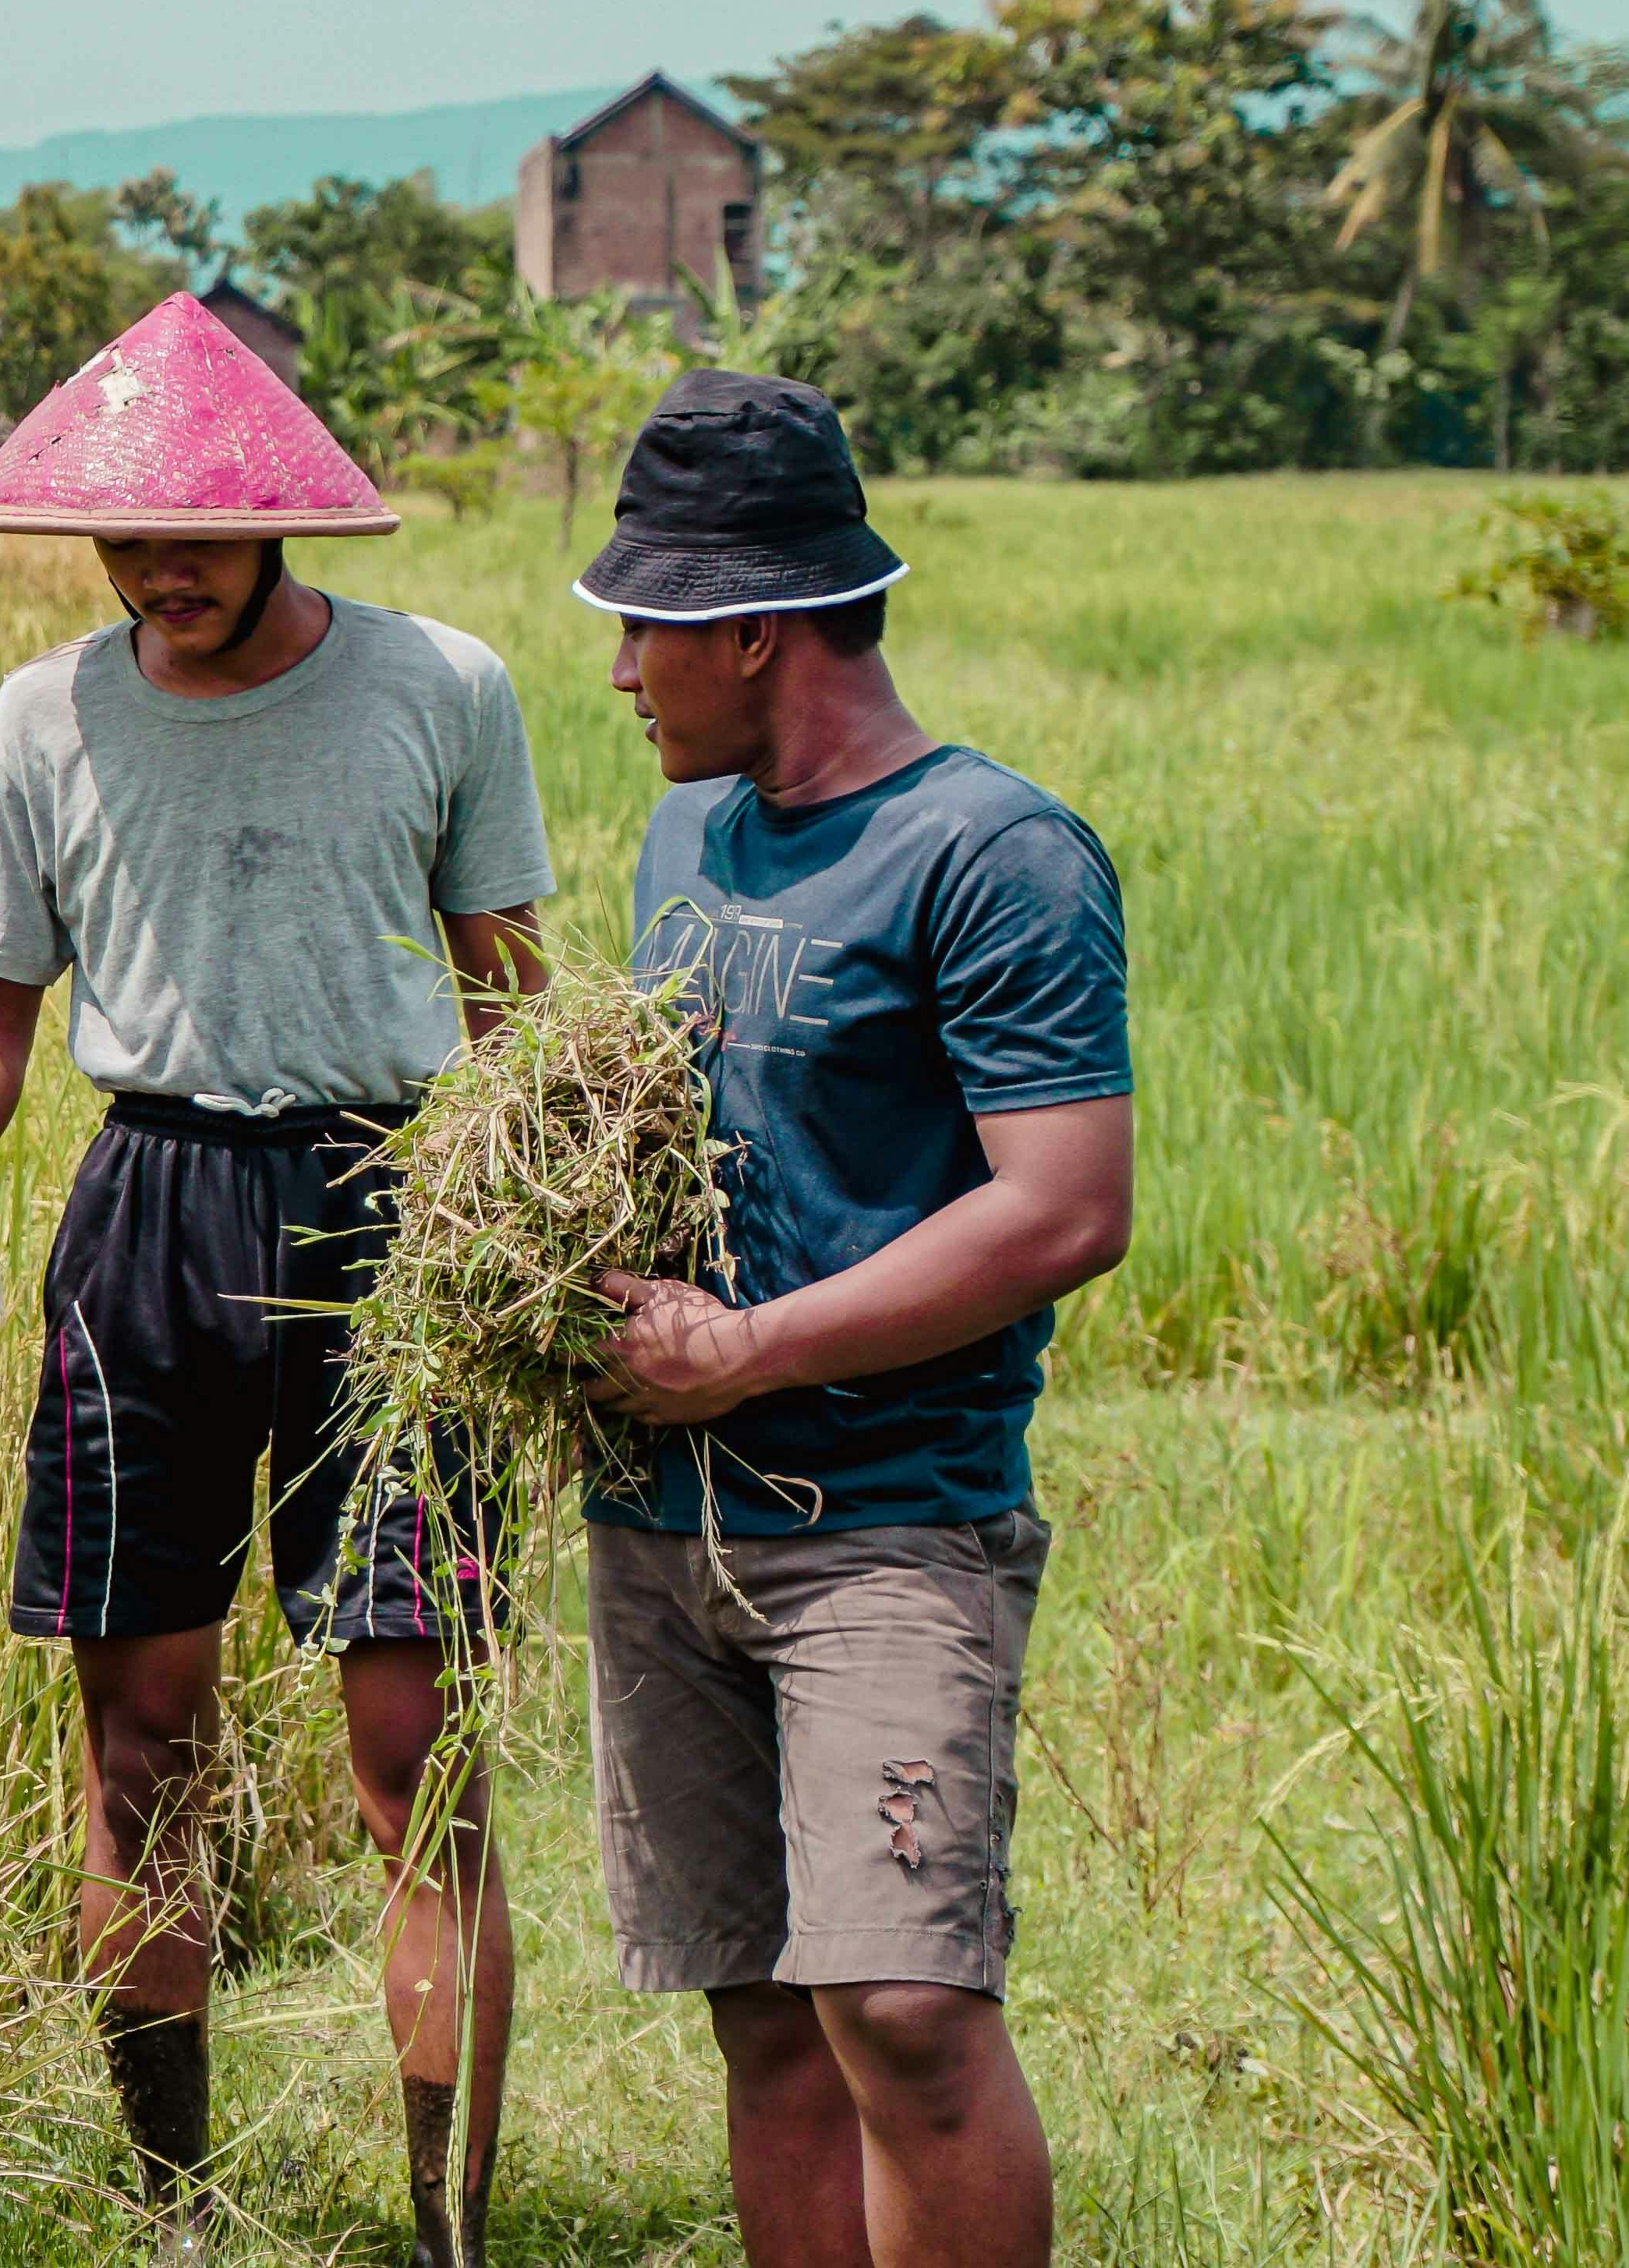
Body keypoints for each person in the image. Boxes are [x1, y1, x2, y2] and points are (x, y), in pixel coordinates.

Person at [0, 290, 551, 2268]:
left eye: (195, 532)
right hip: (149, 1216)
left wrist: (538, 1220)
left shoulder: (442, 686)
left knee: (419, 1754)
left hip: (394, 1218)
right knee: (142, 1741)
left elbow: (510, 989)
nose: (160, 568)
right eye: (126, 535)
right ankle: (172, 2208)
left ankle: (444, 2233)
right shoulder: (46, 715)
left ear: (278, 520)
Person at [569, 370, 1135, 2268]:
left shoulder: (993, 852)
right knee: (763, 2008)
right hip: (665, 1519)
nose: (624, 670)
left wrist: (752, 1347)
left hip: (887, 1520)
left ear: (751, 626)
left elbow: (1065, 1206)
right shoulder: (688, 842)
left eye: (645, 627)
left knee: (903, 2006)